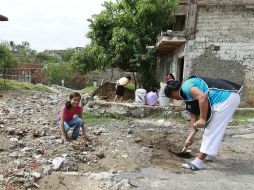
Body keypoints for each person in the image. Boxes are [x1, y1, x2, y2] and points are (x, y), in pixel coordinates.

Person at [164, 75, 242, 171]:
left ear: (175, 90)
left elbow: (203, 97)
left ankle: (198, 162)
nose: (175, 99)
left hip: (226, 98)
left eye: (172, 96)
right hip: (225, 99)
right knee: (211, 127)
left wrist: (202, 119)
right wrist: (190, 136)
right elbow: (193, 117)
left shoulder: (186, 86)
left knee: (212, 130)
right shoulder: (187, 97)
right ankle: (207, 154)